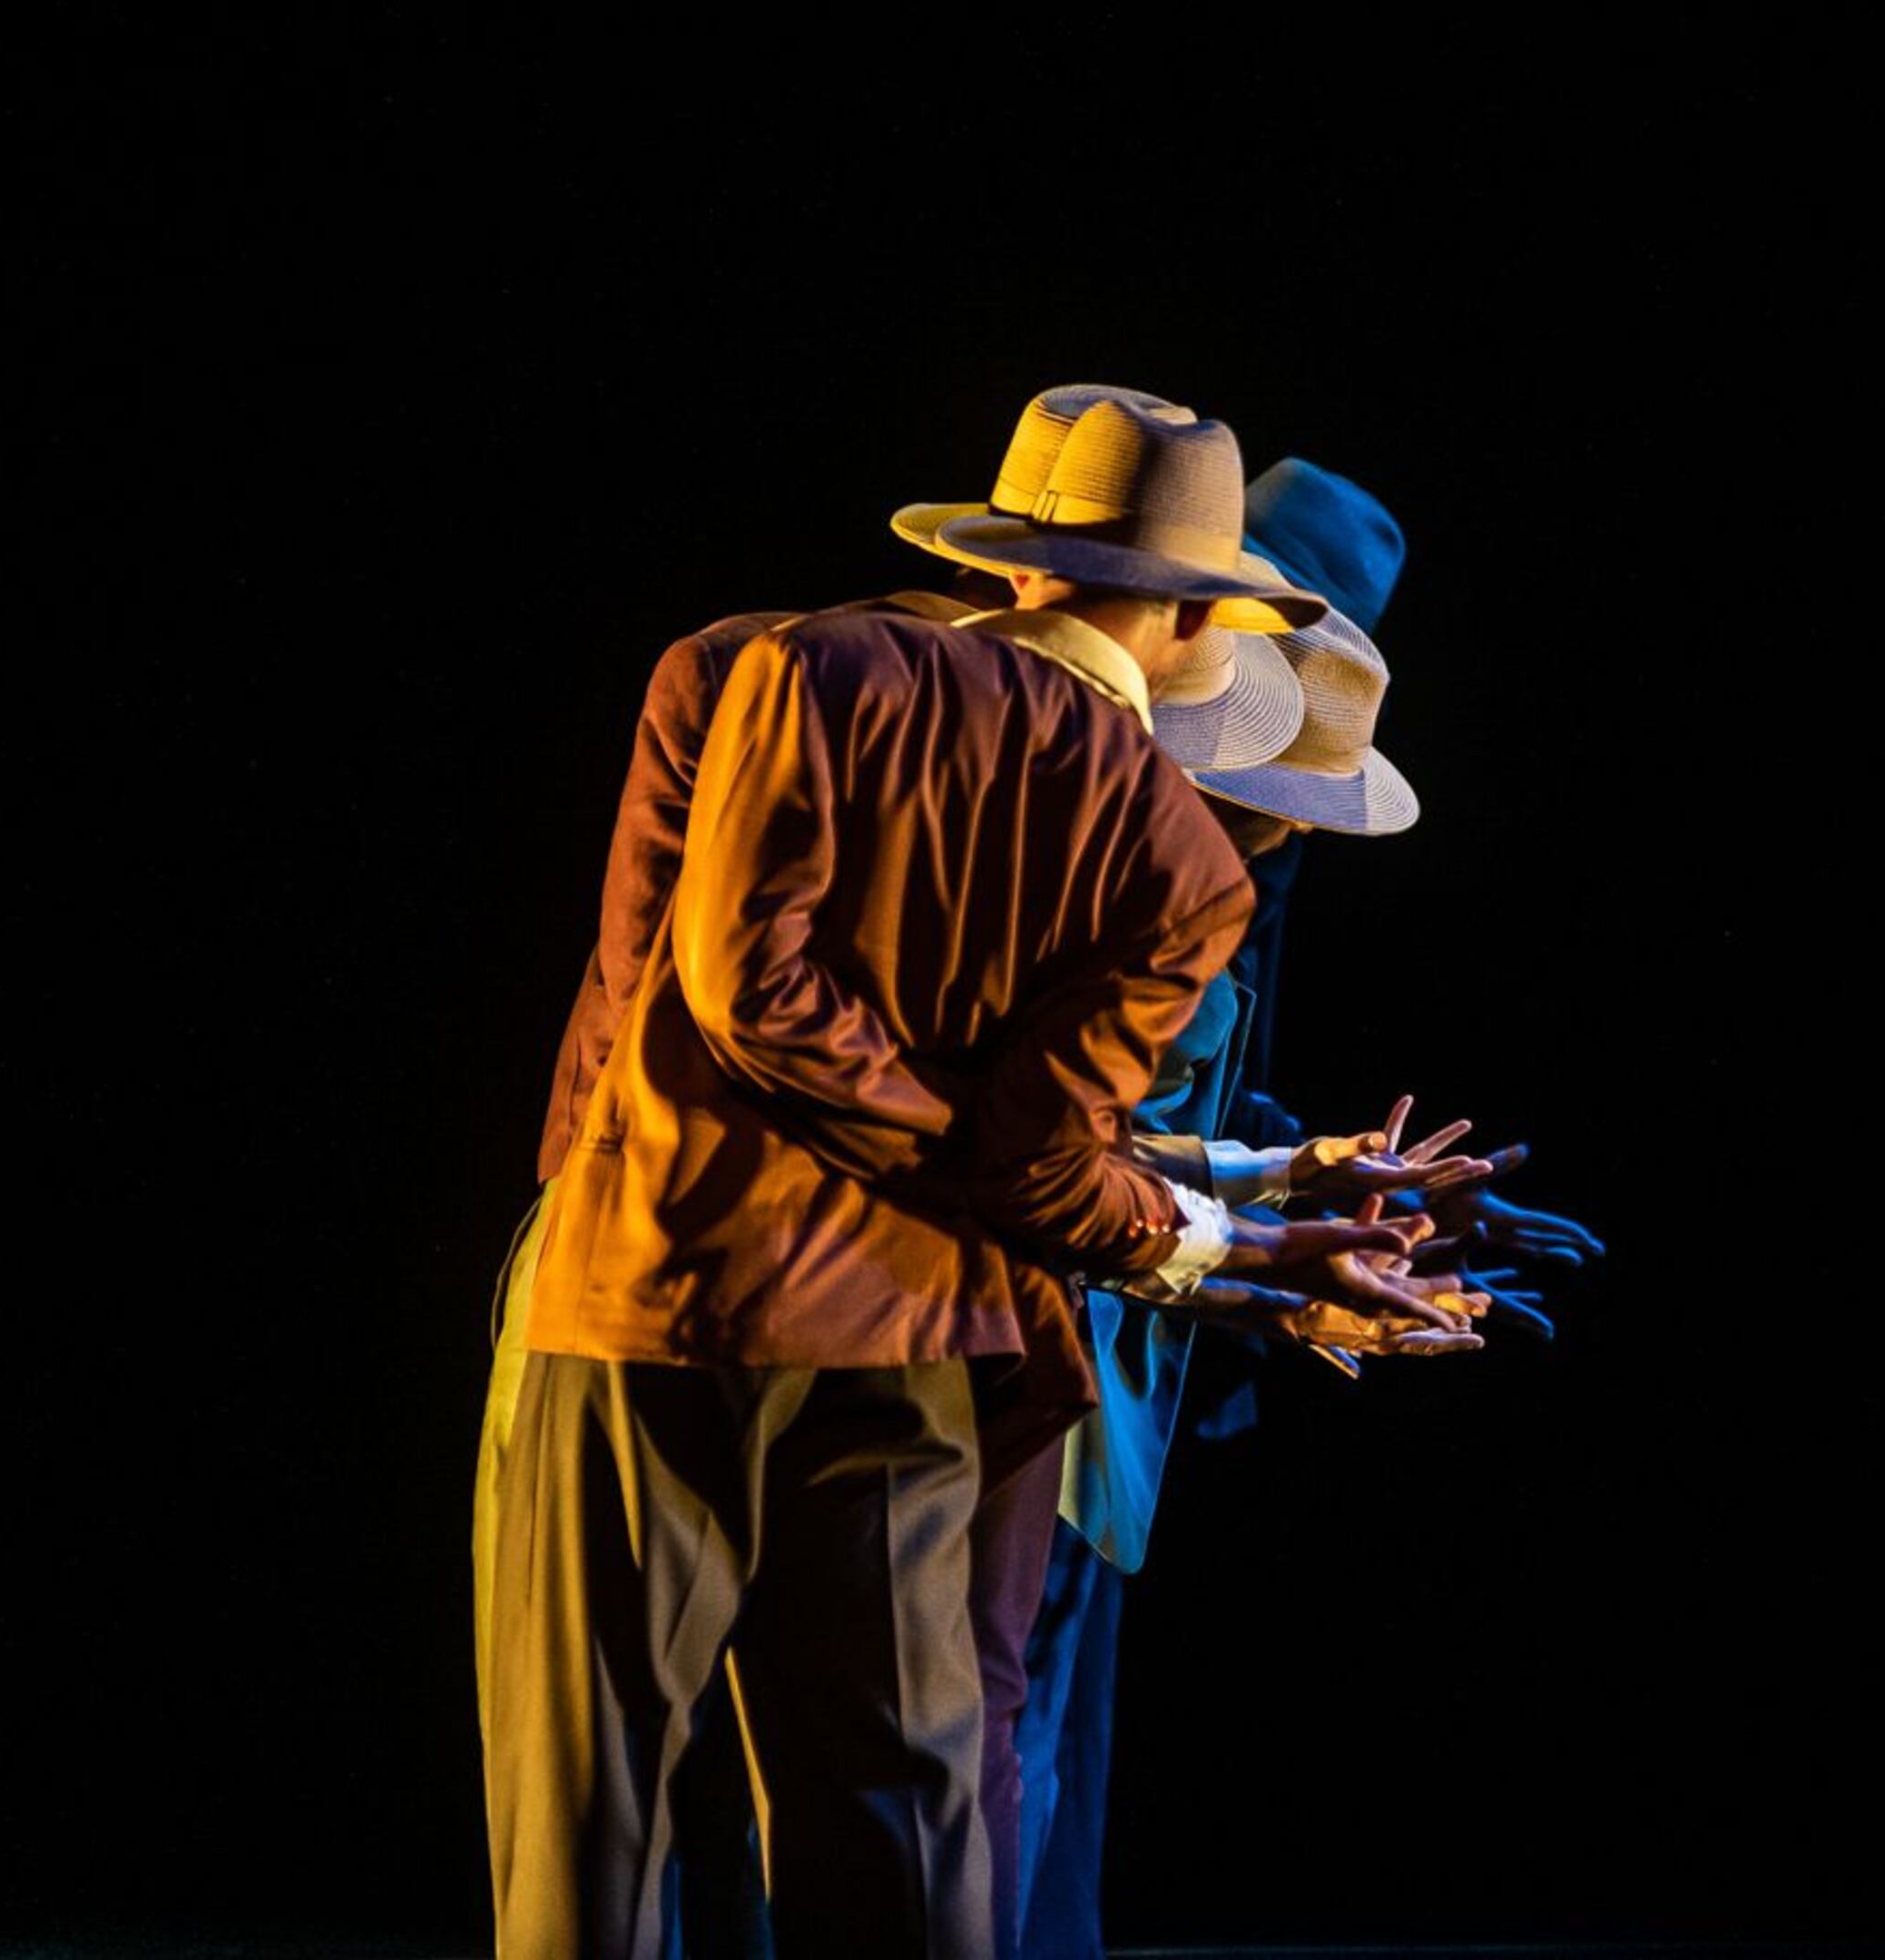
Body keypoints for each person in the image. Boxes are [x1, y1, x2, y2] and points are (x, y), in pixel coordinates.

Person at [480, 395, 1480, 1957]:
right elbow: (1022, 1139)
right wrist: (1230, 1234)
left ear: (1013, 557)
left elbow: (659, 1013)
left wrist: (1257, 1202)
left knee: (607, 1833)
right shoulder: (1172, 857)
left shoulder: (765, 665)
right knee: (907, 1822)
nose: (1272, 837)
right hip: (925, 1330)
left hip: (659, 1283)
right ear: (1202, 623)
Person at [981, 457, 1608, 1958]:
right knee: (966, 1810)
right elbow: (1052, 1143)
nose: (1290, 829)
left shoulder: (1243, 866)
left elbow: (1185, 1111)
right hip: (1020, 1376)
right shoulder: (1101, 835)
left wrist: (1349, 1193)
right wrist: (1277, 1255)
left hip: (1109, 1400)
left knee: (1035, 1805)